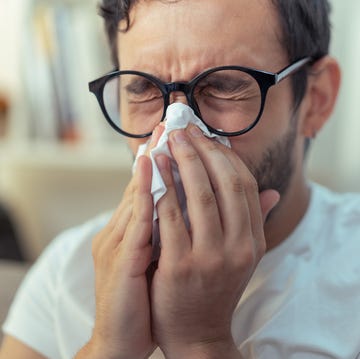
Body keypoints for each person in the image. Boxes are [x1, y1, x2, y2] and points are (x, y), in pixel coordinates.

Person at [1, 0, 359, 358]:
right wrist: (108, 346)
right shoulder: (66, 271)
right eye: (142, 89)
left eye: (224, 85)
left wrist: (200, 342)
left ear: (316, 99)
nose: (175, 132)